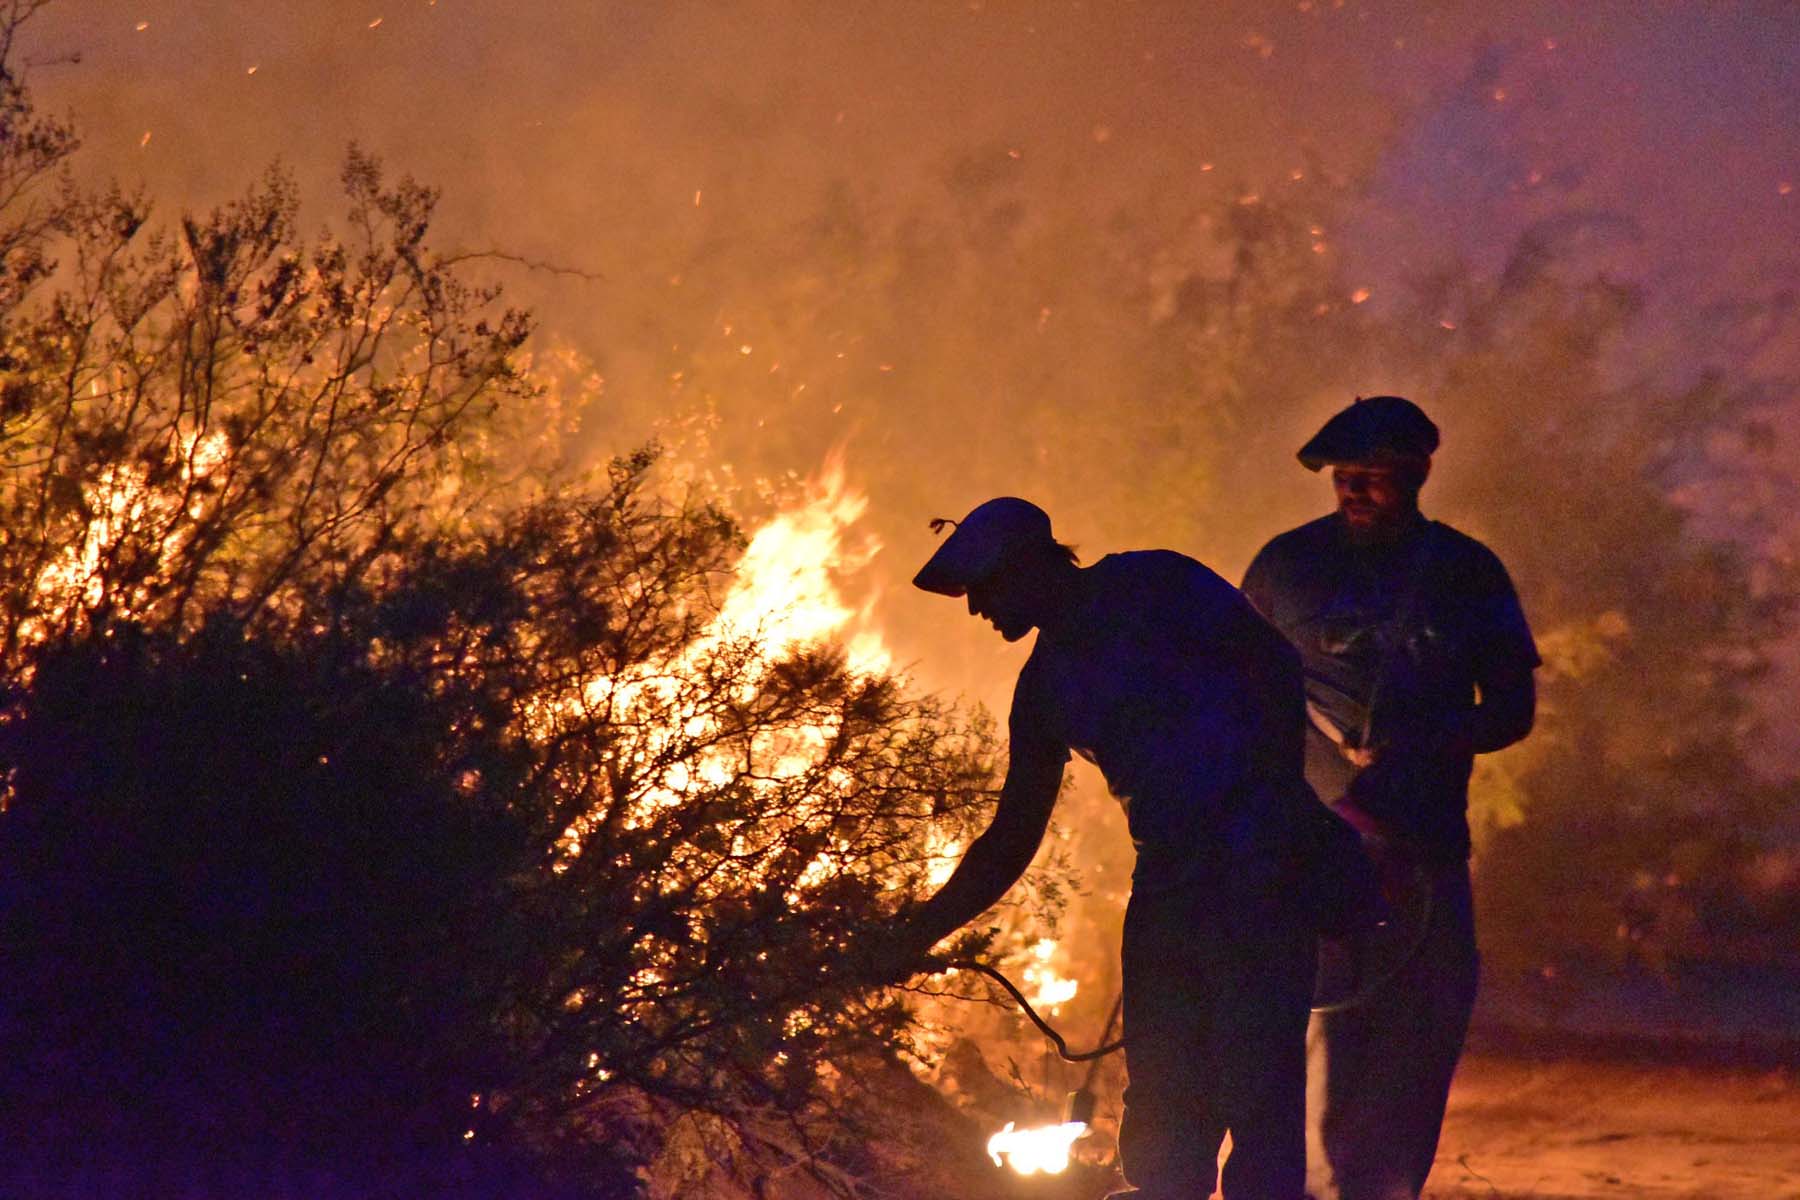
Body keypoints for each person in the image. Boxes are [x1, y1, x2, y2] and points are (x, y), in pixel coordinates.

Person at [885, 496, 1329, 1200]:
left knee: (1258, 1103)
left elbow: (1274, 667)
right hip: (1179, 888)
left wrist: (1270, 797)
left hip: (1257, 877)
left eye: (985, 589)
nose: (977, 610)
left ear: (1031, 564)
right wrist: (917, 929)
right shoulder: (1050, 682)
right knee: (1165, 1116)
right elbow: (1010, 839)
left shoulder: (1156, 586)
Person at [1241, 395, 1539, 1200]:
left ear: (1416, 474)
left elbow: (1513, 710)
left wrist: (1423, 743)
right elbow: (1239, 695)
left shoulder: (1469, 574)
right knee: (1314, 1029)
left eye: (1371, 477)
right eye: (1344, 477)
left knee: (1420, 1034)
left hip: (1427, 846)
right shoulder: (1284, 566)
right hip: (1311, 850)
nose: (1354, 492)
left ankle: (1381, 1191)